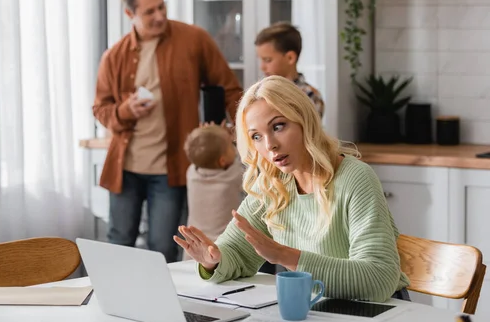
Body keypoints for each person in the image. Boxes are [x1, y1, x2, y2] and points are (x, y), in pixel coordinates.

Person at [174, 75, 411, 302]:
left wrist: (285, 255)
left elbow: (379, 278)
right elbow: (236, 252)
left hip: (379, 312)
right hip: (318, 308)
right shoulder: (272, 183)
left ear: (304, 120)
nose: (270, 145)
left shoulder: (355, 178)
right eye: (256, 136)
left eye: (278, 127)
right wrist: (212, 260)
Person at [92, 0, 243, 263]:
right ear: (130, 14)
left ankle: (159, 306)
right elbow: (101, 109)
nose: (160, 16)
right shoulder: (114, 56)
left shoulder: (194, 39)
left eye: (162, 7)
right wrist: (125, 111)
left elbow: (229, 89)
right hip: (126, 169)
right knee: (119, 243)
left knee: (163, 247)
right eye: (150, 12)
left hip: (170, 169)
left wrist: (243, 132)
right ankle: (115, 305)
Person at [182, 123, 244, 260]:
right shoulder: (233, 176)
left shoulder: (192, 173)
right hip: (223, 247)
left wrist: (209, 137)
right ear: (222, 161)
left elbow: (199, 152)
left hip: (194, 245)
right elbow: (244, 159)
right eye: (230, 145)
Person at [255, 22, 325, 117]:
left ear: (290, 58)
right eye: (261, 60)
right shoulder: (261, 93)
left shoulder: (310, 96)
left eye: (267, 60)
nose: (262, 67)